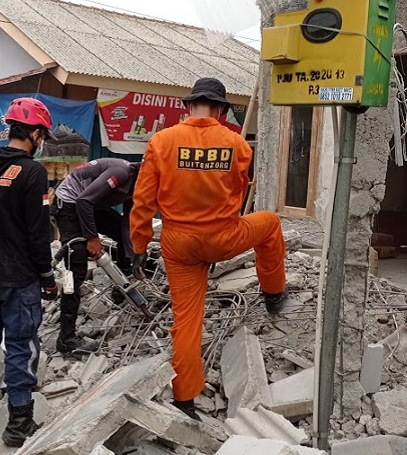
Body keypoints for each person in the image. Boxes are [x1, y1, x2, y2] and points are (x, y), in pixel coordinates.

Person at [130, 77, 288, 420]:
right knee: (270, 224)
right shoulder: (236, 143)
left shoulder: (161, 141)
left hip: (178, 244)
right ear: (220, 109)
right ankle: (274, 293)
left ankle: (185, 398)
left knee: (186, 320)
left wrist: (139, 244)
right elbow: (238, 190)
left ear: (189, 106)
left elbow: (143, 200)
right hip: (223, 238)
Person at [0, 97, 58, 447]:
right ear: (34, 132)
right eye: (42, 135)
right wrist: (46, 276)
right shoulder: (33, 172)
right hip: (18, 279)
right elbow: (38, 233)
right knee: (20, 347)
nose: (42, 140)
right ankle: (19, 421)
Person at [53, 158, 140, 353]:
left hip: (90, 206)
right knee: (77, 262)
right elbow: (83, 201)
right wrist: (92, 238)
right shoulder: (121, 172)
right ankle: (66, 338)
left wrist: (132, 256)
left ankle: (122, 291)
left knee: (119, 232)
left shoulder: (139, 185)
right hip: (70, 204)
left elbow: (126, 225)